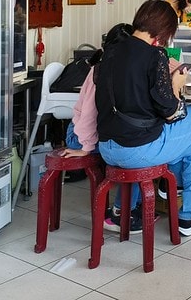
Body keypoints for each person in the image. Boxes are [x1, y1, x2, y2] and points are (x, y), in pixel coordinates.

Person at [94, 0, 191, 237]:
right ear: (163, 31)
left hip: (107, 147)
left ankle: (173, 187)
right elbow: (171, 112)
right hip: (136, 151)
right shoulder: (154, 55)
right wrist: (176, 83)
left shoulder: (111, 51)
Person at [62, 23, 155, 233]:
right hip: (80, 136)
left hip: (99, 133)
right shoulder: (101, 72)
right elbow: (86, 116)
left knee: (131, 143)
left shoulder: (120, 70)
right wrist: (85, 147)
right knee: (131, 150)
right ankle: (119, 214)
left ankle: (133, 205)